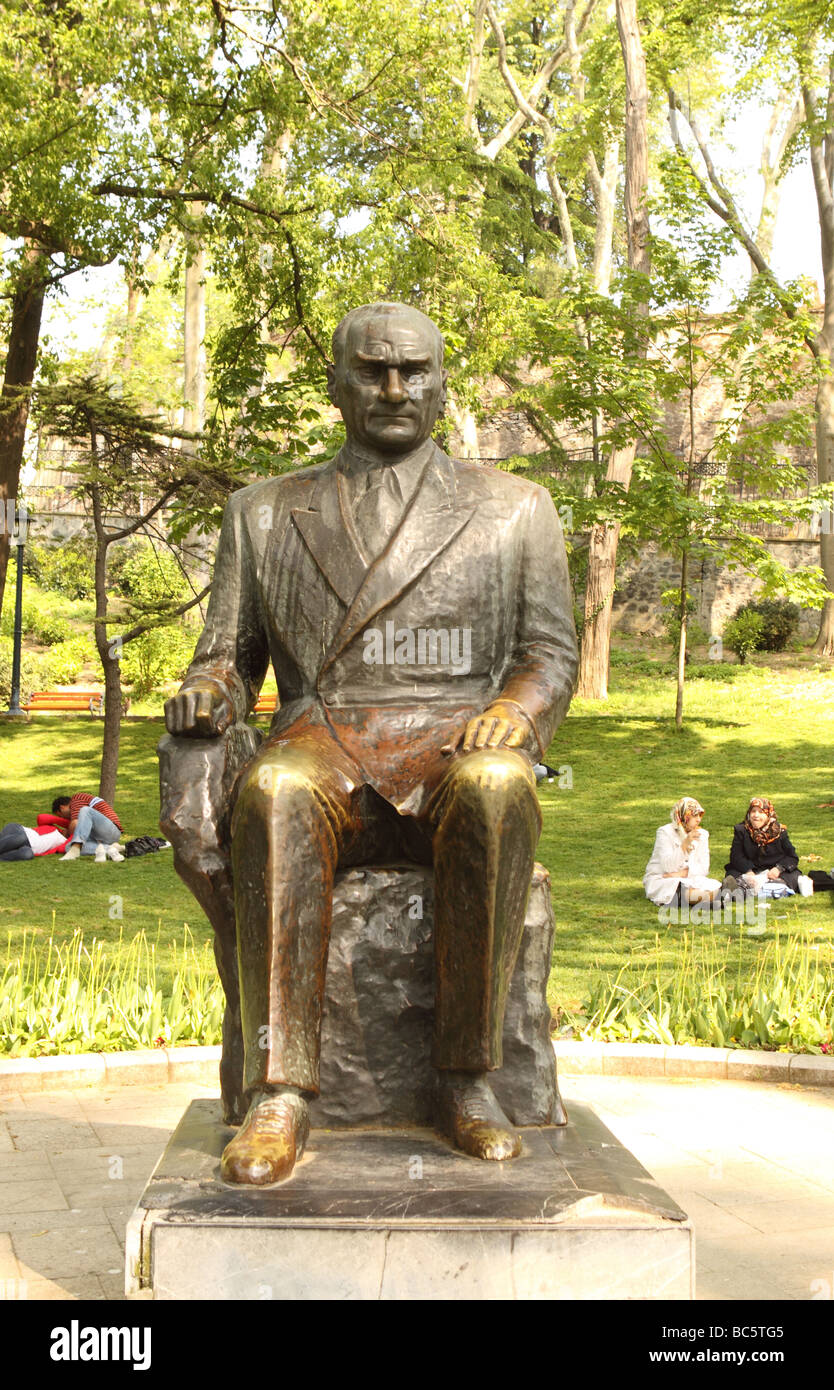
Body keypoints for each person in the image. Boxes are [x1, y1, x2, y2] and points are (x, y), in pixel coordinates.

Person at [160, 301, 578, 1185]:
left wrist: (516, 711)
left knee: (501, 782)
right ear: (337, 384)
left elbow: (548, 652)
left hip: (455, 738)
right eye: (374, 370)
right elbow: (227, 658)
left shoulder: (515, 507)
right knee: (272, 790)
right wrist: (208, 690)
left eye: (414, 371)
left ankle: (467, 1077)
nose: (395, 388)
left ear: (440, 384)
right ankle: (282, 1091)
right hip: (326, 737)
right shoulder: (265, 512)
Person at [721, 797, 813, 899]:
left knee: (793, 875)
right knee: (732, 875)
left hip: (773, 872)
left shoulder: (779, 831)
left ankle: (770, 887)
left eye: (761, 812)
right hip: (750, 870)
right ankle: (741, 888)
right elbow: (736, 856)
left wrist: (778, 869)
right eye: (753, 811)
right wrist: (748, 871)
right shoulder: (741, 830)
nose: (756, 815)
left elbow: (792, 857)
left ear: (768, 814)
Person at [643, 797, 721, 909]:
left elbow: (704, 868)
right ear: (685, 816)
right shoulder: (664, 832)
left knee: (711, 884)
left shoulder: (702, 834)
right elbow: (667, 866)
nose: (698, 820)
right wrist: (684, 845)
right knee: (678, 888)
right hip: (662, 878)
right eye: (695, 815)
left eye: (700, 815)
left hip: (688, 877)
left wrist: (682, 874)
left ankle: (713, 897)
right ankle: (713, 898)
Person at [52, 793, 124, 862]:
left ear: (62, 807)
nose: (63, 818)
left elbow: (75, 823)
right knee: (68, 847)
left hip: (111, 829)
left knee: (85, 810)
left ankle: (75, 848)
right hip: (101, 836)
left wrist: (67, 833)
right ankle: (111, 848)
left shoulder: (77, 799)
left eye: (60, 815)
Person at [0, 819, 68, 862]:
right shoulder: (55, 828)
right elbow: (42, 817)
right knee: (21, 837)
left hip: (29, 847)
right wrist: (67, 822)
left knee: (27, 854)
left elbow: (62, 849)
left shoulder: (65, 842)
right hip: (21, 832)